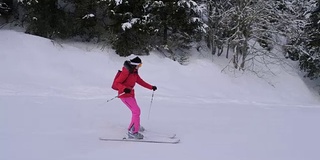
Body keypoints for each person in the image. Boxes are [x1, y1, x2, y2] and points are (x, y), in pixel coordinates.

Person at [114, 56, 157, 139]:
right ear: (135, 65)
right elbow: (117, 83)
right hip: (124, 94)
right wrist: (124, 88)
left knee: (135, 111)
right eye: (139, 65)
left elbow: (140, 81)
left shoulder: (134, 72)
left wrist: (151, 87)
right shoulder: (126, 72)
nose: (140, 67)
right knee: (136, 111)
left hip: (130, 94)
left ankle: (134, 126)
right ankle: (133, 132)